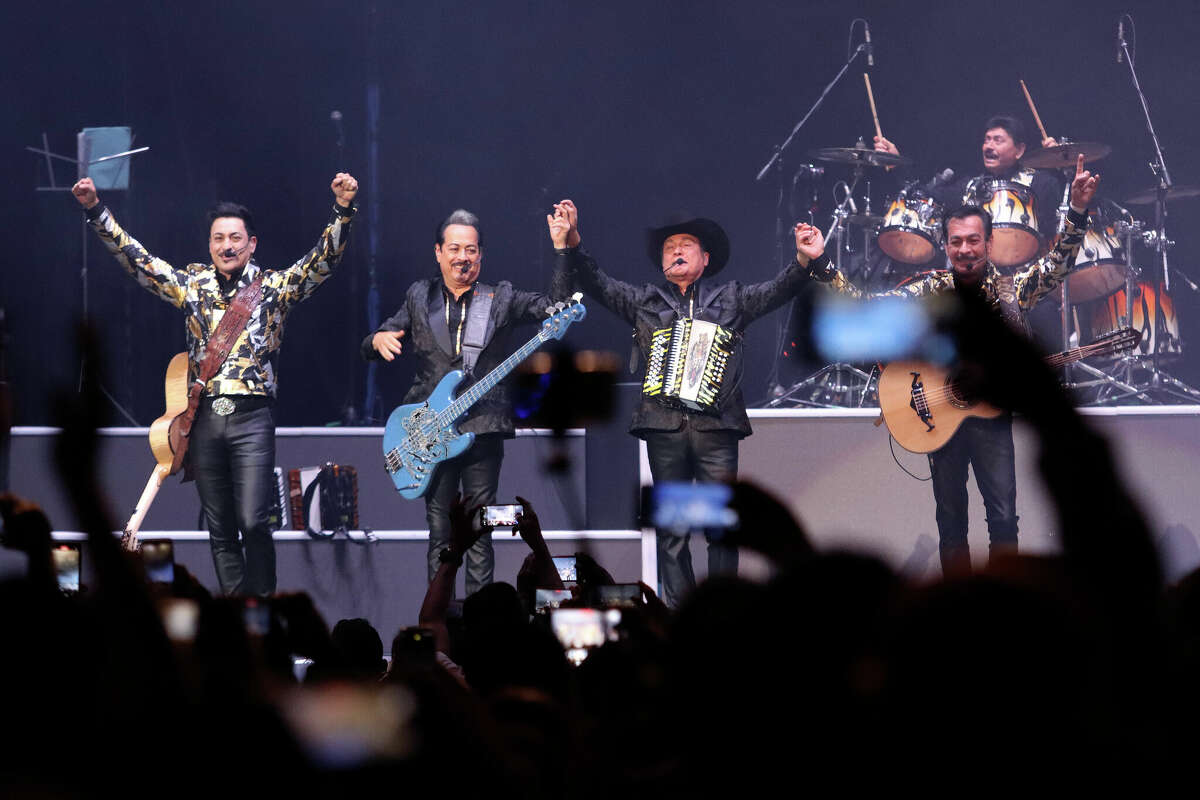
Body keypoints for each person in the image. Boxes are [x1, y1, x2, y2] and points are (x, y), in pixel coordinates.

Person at [799, 155, 1100, 574]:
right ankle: (956, 616)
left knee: (1002, 520)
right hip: (936, 413)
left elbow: (1058, 266)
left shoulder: (1010, 290)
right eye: (956, 241)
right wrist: (820, 263)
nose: (964, 249)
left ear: (989, 243)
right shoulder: (927, 290)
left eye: (973, 241)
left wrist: (1079, 211)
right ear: (945, 245)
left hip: (992, 418)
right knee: (951, 522)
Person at [71, 173, 359, 596]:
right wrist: (96, 210)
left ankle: (262, 614)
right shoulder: (192, 286)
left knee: (252, 521)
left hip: (252, 418)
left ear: (252, 244)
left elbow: (322, 262)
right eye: (218, 238)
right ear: (209, 245)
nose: (227, 246)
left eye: (235, 238)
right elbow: (139, 262)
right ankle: (237, 621)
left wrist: (343, 210)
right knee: (220, 526)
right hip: (203, 420)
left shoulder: (273, 289)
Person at [548, 200, 816, 607]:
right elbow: (597, 282)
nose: (676, 250)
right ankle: (679, 613)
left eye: (686, 244)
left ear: (705, 259)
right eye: (669, 246)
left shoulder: (733, 298)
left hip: (715, 427)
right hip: (664, 426)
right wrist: (574, 241)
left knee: (720, 525)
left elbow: (778, 291)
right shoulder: (644, 301)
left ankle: (722, 611)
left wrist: (802, 260)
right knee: (673, 528)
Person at [362, 209, 571, 597]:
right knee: (439, 531)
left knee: (478, 530)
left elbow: (555, 306)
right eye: (454, 248)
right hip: (425, 432)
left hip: (482, 427)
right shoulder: (417, 296)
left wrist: (560, 249)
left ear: (481, 256)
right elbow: (377, 339)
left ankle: (478, 622)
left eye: (471, 250)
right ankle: (437, 620)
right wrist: (376, 340)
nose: (463, 257)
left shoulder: (501, 298)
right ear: (438, 253)